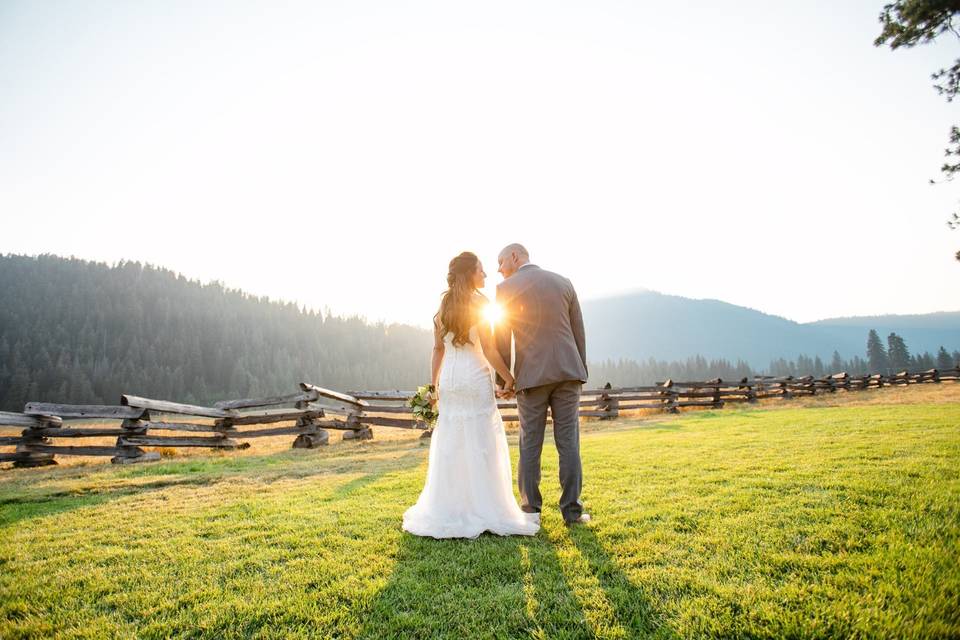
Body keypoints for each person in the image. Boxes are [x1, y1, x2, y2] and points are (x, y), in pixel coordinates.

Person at [402, 251, 540, 539]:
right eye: (481, 270)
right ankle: (487, 508)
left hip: (451, 379)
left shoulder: (443, 306)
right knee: (481, 437)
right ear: (469, 273)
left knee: (452, 439)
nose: (486, 275)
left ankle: (449, 510)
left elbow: (438, 349)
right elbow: (489, 348)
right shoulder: (481, 303)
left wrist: (433, 386)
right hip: (475, 376)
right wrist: (509, 376)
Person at [495, 243, 590, 526]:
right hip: (567, 373)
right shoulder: (564, 283)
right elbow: (578, 332)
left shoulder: (505, 290)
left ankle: (531, 513)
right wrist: (580, 370)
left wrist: (505, 380)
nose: (498, 269)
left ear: (515, 256)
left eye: (500, 262)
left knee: (530, 444)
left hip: (531, 377)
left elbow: (502, 339)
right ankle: (572, 513)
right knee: (569, 443)